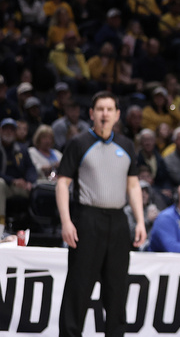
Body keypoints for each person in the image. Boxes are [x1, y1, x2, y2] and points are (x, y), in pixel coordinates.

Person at [56, 91, 147, 337]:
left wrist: (140, 221)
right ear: (92, 114)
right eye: (100, 109)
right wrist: (66, 221)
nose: (104, 114)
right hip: (87, 219)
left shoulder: (127, 145)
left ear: (117, 115)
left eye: (109, 109)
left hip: (118, 222)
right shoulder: (79, 143)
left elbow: (133, 185)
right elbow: (62, 183)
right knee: (78, 289)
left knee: (117, 292)